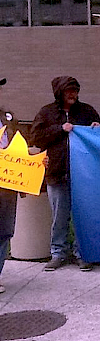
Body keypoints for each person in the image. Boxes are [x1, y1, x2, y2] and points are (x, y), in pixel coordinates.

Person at [31, 76, 100, 272]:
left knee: (83, 216)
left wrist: (97, 129)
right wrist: (59, 129)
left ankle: (83, 253)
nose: (73, 95)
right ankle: (58, 253)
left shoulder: (87, 111)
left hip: (83, 175)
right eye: (68, 91)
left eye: (75, 91)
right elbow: (36, 137)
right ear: (59, 93)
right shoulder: (47, 113)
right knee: (59, 217)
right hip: (57, 172)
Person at [0, 77, 20, 292]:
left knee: (4, 231)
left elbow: (20, 148)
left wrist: (37, 160)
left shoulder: (8, 118)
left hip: (7, 184)